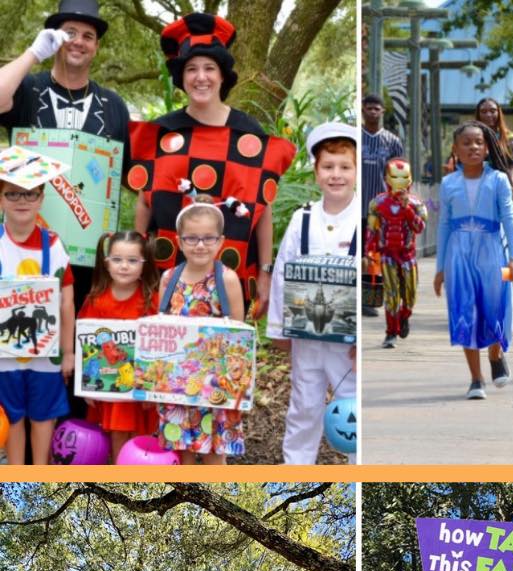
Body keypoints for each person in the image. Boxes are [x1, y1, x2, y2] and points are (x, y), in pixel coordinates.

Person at [129, 15, 293, 321]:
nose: (200, 77)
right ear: (181, 78)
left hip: (230, 276)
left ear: (222, 76)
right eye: (191, 69)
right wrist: (134, 258)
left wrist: (266, 272)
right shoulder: (162, 131)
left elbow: (263, 208)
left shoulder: (249, 132)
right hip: (167, 274)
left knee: (224, 357)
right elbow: (144, 201)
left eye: (209, 68)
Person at [0, 0, 130, 305]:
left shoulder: (113, 106)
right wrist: (33, 53)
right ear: (54, 38)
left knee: (75, 344)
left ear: (97, 46)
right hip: (24, 248)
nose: (78, 42)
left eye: (88, 36)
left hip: (88, 259)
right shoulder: (27, 90)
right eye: (69, 32)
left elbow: (127, 177)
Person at [269, 121, 360, 463]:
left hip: (348, 344)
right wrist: (278, 329)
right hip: (306, 335)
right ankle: (297, 468)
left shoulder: (362, 220)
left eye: (344, 167)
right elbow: (282, 272)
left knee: (352, 408)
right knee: (304, 405)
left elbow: (375, 276)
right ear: (316, 171)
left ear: (355, 170)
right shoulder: (302, 219)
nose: (336, 175)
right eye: (328, 167)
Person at [433, 121, 513, 401]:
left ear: (487, 148)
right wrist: (440, 268)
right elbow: (444, 224)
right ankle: (476, 378)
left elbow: (509, 219)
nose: (473, 147)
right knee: (464, 314)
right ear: (455, 149)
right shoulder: (449, 183)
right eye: (466, 143)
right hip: (458, 254)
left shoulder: (498, 180)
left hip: (492, 251)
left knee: (495, 308)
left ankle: (496, 355)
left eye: (478, 142)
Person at [156, 196, 246, 463]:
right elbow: (160, 329)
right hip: (177, 385)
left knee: (214, 456)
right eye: (192, 238)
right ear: (179, 241)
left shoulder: (226, 279)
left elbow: (239, 337)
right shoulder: (169, 279)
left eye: (208, 238)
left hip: (216, 388)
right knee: (181, 454)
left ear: (220, 241)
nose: (200, 245)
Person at [0, 173, 75, 465]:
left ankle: (40, 473)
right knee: (12, 416)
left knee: (44, 416)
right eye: (13, 194)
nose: (22, 201)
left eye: (30, 194)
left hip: (47, 354)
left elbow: (67, 301)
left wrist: (68, 352)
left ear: (42, 199)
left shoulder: (54, 245)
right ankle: (17, 472)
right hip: (5, 356)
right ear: (1, 198)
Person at [78, 230, 160, 460]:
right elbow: (87, 345)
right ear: (107, 263)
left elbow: (161, 347)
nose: (124, 266)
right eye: (117, 259)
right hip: (108, 383)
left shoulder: (152, 299)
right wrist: (86, 385)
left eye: (132, 260)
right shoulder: (96, 300)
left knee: (140, 438)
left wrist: (151, 388)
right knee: (115, 436)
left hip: (140, 385)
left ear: (144, 264)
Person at [363, 155, 426, 350]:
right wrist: (367, 254)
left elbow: (419, 228)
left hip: (408, 256)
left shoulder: (416, 204)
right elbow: (372, 231)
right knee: (391, 295)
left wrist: (407, 208)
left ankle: (404, 316)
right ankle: (391, 333)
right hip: (388, 255)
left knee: (410, 296)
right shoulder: (377, 203)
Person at [361, 94, 404, 316]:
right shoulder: (355, 138)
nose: (373, 112)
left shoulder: (393, 141)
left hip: (383, 210)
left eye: (377, 108)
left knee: (376, 256)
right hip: (357, 206)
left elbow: (401, 176)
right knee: (359, 254)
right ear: (362, 110)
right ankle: (357, 299)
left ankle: (373, 300)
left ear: (383, 112)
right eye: (369, 108)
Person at [446, 99, 513, 193]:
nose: (488, 115)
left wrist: (508, 184)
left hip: (502, 189)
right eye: (483, 111)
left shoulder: (510, 138)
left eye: (492, 111)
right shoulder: (470, 136)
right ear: (478, 115)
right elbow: (456, 161)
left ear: (499, 113)